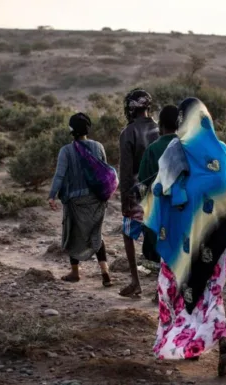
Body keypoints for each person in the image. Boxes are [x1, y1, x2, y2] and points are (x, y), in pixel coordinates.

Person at [144, 98, 226, 377]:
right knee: (210, 291)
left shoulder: (176, 150)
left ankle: (184, 343)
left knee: (170, 288)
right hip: (216, 237)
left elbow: (160, 189)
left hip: (181, 239)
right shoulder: (222, 151)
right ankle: (220, 341)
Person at [48, 113, 112, 287]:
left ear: (71, 131)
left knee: (73, 233)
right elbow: (105, 173)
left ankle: (75, 272)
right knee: (95, 234)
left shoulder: (66, 151)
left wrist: (52, 195)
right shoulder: (98, 147)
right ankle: (105, 272)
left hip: (75, 201)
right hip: (97, 200)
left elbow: (59, 175)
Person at [118, 88, 160, 297]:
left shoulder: (128, 132)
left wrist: (125, 198)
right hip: (160, 196)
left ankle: (135, 282)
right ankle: (160, 289)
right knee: (160, 239)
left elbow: (125, 172)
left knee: (128, 235)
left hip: (136, 195)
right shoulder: (160, 129)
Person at [139, 104, 179, 303]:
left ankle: (162, 292)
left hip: (160, 208)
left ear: (161, 125)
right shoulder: (187, 147)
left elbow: (144, 180)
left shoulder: (153, 149)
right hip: (185, 207)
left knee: (161, 247)